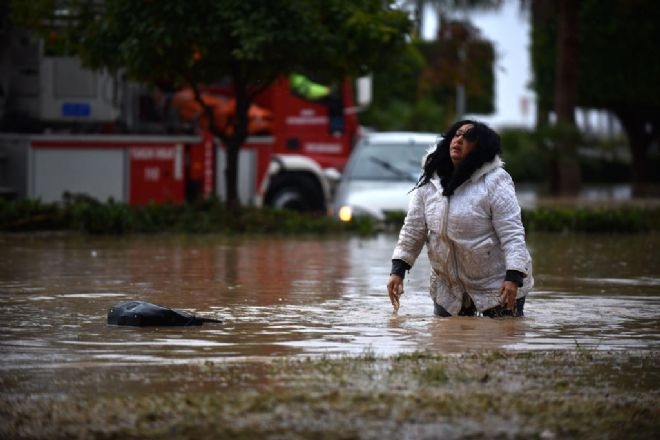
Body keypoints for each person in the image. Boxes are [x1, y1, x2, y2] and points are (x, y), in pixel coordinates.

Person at [386, 120, 533, 317]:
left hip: (496, 284)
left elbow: (512, 233)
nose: (459, 140)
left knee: (500, 341)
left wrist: (513, 277)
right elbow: (413, 229)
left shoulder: (496, 180)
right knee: (446, 341)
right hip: (448, 287)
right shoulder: (430, 181)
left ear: (480, 148)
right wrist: (398, 271)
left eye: (468, 137)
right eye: (456, 135)